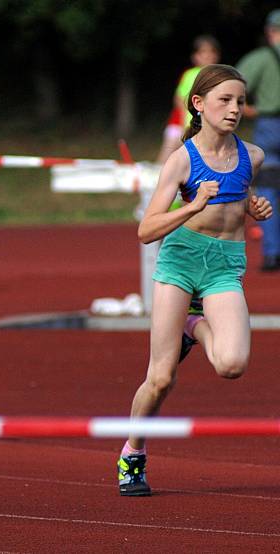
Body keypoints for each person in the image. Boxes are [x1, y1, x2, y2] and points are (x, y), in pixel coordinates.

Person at [117, 65, 272, 497]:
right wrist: (192, 205)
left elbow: (235, 202)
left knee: (232, 365)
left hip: (224, 266)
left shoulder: (253, 156)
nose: (235, 109)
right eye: (224, 100)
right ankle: (133, 453)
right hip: (180, 264)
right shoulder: (182, 159)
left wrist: (251, 209)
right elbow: (146, 230)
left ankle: (193, 325)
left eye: (240, 101)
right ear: (198, 104)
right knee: (161, 377)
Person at [237, 9, 280, 270]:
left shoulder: (261, 59)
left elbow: (232, 84)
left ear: (270, 31)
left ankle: (273, 252)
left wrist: (247, 108)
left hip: (270, 125)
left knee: (268, 188)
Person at [156, 35, 221, 164]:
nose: (207, 56)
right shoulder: (190, 75)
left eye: (211, 52)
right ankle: (155, 179)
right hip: (184, 124)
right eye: (203, 52)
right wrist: (183, 124)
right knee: (168, 154)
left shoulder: (218, 76)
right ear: (195, 57)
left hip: (207, 127)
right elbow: (179, 99)